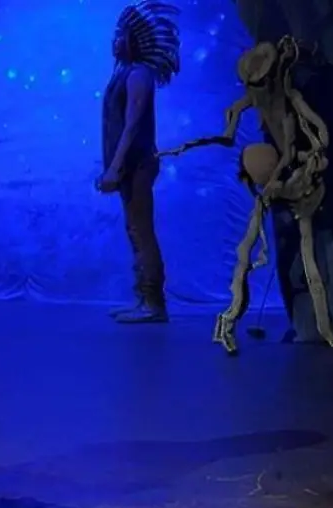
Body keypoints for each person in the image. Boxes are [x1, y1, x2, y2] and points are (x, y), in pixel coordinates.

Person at [97, 1, 181, 324]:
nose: (114, 41)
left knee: (141, 230)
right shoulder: (126, 74)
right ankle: (144, 298)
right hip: (129, 166)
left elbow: (132, 126)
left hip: (138, 164)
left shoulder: (139, 76)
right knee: (134, 229)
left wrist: (115, 168)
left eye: (120, 35)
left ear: (133, 40)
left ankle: (153, 303)